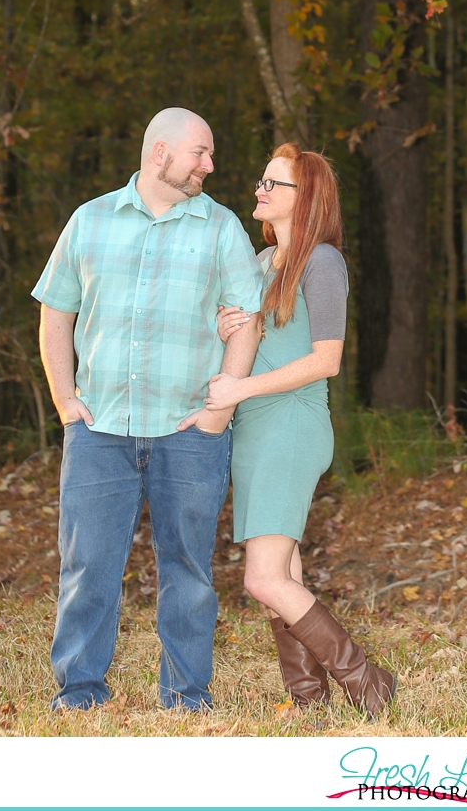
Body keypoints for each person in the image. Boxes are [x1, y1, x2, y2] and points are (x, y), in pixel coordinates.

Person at [33, 107, 264, 712]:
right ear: (160, 152)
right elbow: (56, 310)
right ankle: (79, 690)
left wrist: (222, 400)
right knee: (87, 567)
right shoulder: (91, 220)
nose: (210, 166)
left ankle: (187, 695)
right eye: (201, 153)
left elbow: (249, 317)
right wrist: (64, 398)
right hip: (99, 427)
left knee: (189, 570)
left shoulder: (221, 227)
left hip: (190, 428)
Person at [198, 143, 395, 715]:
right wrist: (225, 324)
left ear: (303, 198)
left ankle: (367, 681)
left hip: (291, 423)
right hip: (256, 429)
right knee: (283, 573)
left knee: (262, 579)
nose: (259, 190)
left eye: (273, 184)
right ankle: (309, 699)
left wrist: (239, 390)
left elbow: (326, 359)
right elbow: (251, 346)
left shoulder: (322, 262)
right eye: (261, 181)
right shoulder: (263, 266)